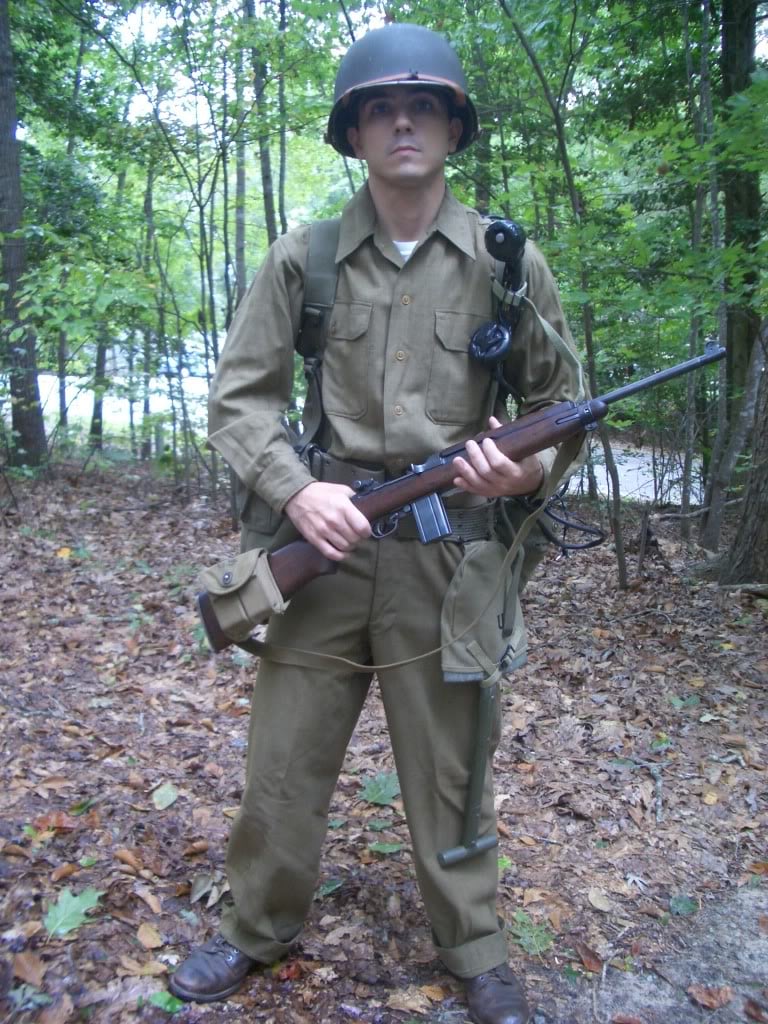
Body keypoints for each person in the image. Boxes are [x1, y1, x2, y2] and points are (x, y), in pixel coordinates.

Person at [170, 23, 583, 1024]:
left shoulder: (506, 263)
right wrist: (298, 488)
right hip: (325, 545)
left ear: (451, 126)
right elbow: (239, 401)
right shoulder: (302, 259)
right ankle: (254, 929)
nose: (404, 120)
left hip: (450, 561)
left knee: (452, 770)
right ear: (354, 132)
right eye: (381, 107)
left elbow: (564, 405)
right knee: (284, 761)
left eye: (424, 105)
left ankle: (475, 946)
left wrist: (516, 464)